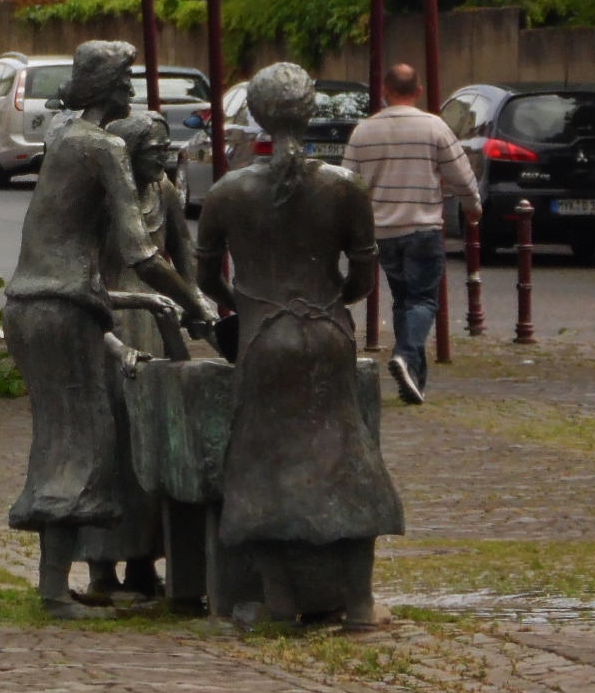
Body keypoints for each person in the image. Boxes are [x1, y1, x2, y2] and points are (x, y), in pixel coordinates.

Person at [3, 40, 214, 619]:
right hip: (62, 305)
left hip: (36, 303)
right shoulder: (101, 147)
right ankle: (53, 594)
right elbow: (142, 254)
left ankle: (54, 587)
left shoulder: (62, 140)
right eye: (126, 80)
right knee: (86, 442)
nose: (132, 90)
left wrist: (160, 305)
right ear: (109, 88)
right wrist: (195, 301)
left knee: (65, 436)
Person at [196, 62, 402, 629]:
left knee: (259, 462)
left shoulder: (228, 192)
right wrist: (330, 298)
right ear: (310, 111)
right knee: (350, 459)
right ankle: (358, 603)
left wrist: (245, 302)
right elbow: (362, 278)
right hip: (328, 333)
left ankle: (280, 602)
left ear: (256, 115)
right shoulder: (343, 188)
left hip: (264, 335)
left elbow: (206, 278)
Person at [76, 110, 203, 602]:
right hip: (112, 323)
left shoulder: (166, 192)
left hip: (156, 324)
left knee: (156, 446)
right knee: (111, 448)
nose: (165, 157)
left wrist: (198, 303)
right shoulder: (101, 202)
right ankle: (101, 569)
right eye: (155, 149)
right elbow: (86, 280)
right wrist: (113, 342)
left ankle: (145, 562)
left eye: (167, 148)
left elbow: (184, 259)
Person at [341, 62, 482, 405]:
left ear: (385, 93)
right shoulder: (434, 127)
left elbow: (347, 183)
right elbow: (460, 174)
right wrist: (472, 205)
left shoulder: (363, 132)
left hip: (382, 231)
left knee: (404, 300)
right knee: (423, 299)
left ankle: (414, 381)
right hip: (422, 226)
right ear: (418, 92)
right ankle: (405, 355)